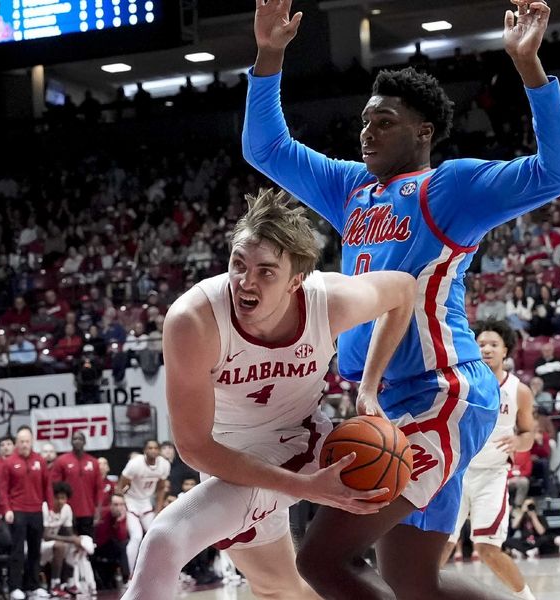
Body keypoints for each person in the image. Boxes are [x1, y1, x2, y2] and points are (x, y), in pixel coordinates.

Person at [242, 0, 560, 597]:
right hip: (389, 402)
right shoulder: (352, 187)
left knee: (321, 561)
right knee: (415, 583)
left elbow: (559, 172)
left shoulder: (450, 187)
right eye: (366, 122)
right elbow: (265, 150)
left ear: (423, 132)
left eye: (386, 122)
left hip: (442, 395)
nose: (368, 132)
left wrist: (529, 66)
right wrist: (270, 57)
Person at [123, 188, 417, 600]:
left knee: (165, 540)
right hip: (228, 460)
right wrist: (304, 489)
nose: (246, 281)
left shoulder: (328, 302)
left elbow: (403, 290)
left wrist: (368, 390)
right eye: (238, 264)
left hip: (299, 441)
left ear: (296, 281)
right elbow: (193, 448)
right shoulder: (194, 320)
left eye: (266, 272)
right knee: (276, 588)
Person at [443, 319, 537, 600]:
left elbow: (529, 433)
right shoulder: (462, 382)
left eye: (493, 344)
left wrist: (518, 442)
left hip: (493, 475)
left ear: (505, 350)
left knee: (487, 548)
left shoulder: (519, 389)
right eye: (481, 344)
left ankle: (527, 598)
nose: (486, 349)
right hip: (458, 473)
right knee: (439, 545)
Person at [0, 425, 53, 599]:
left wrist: (50, 508)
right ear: (16, 443)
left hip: (36, 511)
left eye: (27, 441)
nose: (24, 444)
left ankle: (33, 585)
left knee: (35, 550)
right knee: (17, 550)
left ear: (32, 442)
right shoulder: (9, 463)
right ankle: (15, 586)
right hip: (18, 511)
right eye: (21, 441)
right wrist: (7, 509)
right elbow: (3, 489)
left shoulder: (40, 461)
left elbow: (48, 487)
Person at [117, 439, 171, 581]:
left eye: (155, 448)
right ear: (145, 450)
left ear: (158, 451)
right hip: (131, 502)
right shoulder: (135, 463)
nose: (153, 450)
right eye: (150, 448)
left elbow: (160, 489)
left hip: (146, 503)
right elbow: (121, 485)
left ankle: (162, 572)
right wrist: (120, 504)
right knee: (136, 536)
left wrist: (158, 511)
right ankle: (130, 575)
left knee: (157, 536)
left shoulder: (164, 465)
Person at [50, 431, 102, 537]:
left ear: (85, 442)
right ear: (71, 442)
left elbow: (99, 489)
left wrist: (98, 509)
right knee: (69, 544)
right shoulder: (61, 461)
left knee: (87, 545)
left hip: (88, 511)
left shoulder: (94, 462)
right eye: (74, 439)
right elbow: (55, 486)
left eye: (80, 439)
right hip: (67, 510)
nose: (77, 441)